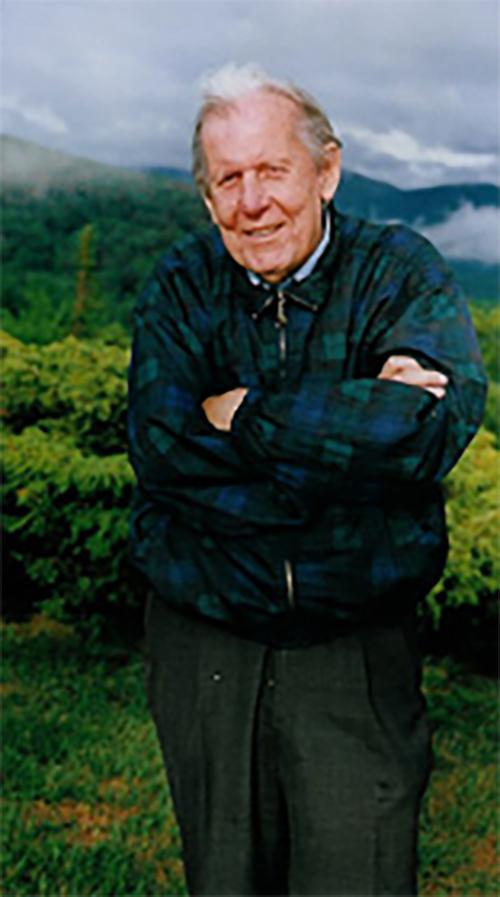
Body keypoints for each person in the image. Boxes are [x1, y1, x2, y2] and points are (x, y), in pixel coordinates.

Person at [127, 63, 486, 897]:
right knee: (224, 877)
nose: (253, 201)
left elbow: (423, 432)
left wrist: (244, 412)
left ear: (325, 170)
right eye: (229, 179)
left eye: (272, 170)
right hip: (205, 637)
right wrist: (343, 450)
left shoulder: (401, 270)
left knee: (357, 873)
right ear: (208, 197)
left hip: (353, 643)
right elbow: (162, 446)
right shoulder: (180, 288)